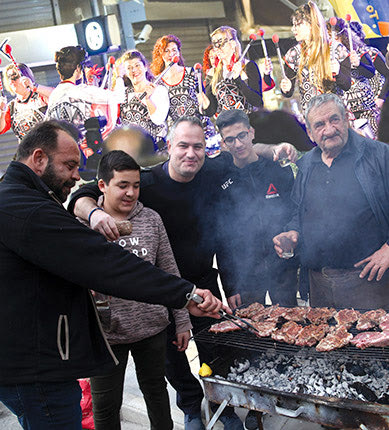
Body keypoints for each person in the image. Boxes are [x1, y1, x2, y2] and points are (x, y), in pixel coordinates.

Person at [0, 119, 226, 430]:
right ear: (39, 159)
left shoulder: (22, 199)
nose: (77, 175)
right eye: (69, 165)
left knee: (156, 392)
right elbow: (106, 263)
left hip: (46, 359)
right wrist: (185, 294)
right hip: (36, 368)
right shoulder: (26, 209)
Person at [84, 150, 192, 430]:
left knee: (156, 393)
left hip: (151, 328)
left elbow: (170, 271)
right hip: (105, 335)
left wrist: (182, 321)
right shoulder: (85, 224)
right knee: (106, 407)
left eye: (136, 185)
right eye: (122, 185)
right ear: (102, 185)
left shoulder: (151, 219)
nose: (131, 193)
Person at [273, 93, 389, 308]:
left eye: (334, 119)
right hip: (319, 285)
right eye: (319, 124)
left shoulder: (379, 156)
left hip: (369, 282)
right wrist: (292, 233)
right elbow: (299, 213)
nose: (329, 129)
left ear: (346, 118)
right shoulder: (306, 164)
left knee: (369, 341)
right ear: (310, 132)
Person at [215, 109, 298, 312]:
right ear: (224, 143)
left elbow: (296, 211)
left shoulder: (278, 169)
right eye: (231, 139)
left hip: (282, 267)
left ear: (251, 132)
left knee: (288, 325)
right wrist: (230, 284)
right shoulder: (220, 178)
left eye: (242, 135)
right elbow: (222, 238)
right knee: (250, 330)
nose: (238, 144)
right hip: (245, 272)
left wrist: (292, 237)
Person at [45, 45, 121, 157]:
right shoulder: (84, 91)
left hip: (65, 154)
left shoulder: (54, 96)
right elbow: (117, 97)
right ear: (77, 69)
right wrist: (118, 75)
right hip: (90, 152)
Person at [281, 1, 351, 114]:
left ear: (310, 24)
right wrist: (286, 88)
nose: (293, 29)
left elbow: (346, 85)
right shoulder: (293, 54)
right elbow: (288, 92)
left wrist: (338, 73)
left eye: (297, 25)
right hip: (312, 116)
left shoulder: (337, 49)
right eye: (293, 25)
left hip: (335, 112)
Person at [150, 34, 216, 141]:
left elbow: (202, 100)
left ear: (179, 52)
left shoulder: (191, 72)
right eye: (167, 51)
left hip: (200, 126)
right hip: (178, 132)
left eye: (174, 50)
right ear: (160, 54)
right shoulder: (157, 82)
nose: (171, 54)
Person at [200, 26, 272, 117]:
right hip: (228, 127)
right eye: (215, 44)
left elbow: (257, 102)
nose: (217, 48)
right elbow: (211, 111)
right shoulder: (212, 74)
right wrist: (204, 103)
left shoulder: (248, 66)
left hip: (249, 125)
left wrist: (238, 79)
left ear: (233, 44)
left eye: (221, 43)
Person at [327, 18, 379, 137]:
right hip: (347, 114)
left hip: (366, 111)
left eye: (332, 36)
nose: (330, 40)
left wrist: (359, 64)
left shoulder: (357, 52)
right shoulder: (329, 59)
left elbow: (371, 72)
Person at [117, 50, 169, 152]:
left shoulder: (159, 90)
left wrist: (148, 99)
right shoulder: (123, 93)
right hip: (133, 152)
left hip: (157, 152)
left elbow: (158, 119)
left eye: (137, 65)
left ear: (145, 67)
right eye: (129, 68)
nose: (134, 70)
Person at [0, 63, 52, 141]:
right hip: (27, 151)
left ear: (26, 77)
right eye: (9, 77)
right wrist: (2, 111)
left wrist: (34, 86)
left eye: (15, 76)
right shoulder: (11, 107)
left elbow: (57, 94)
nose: (11, 81)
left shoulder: (40, 96)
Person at [350, 20, 389, 110]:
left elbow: (388, 74)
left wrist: (381, 97)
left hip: (378, 103)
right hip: (363, 106)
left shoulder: (371, 53)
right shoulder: (346, 56)